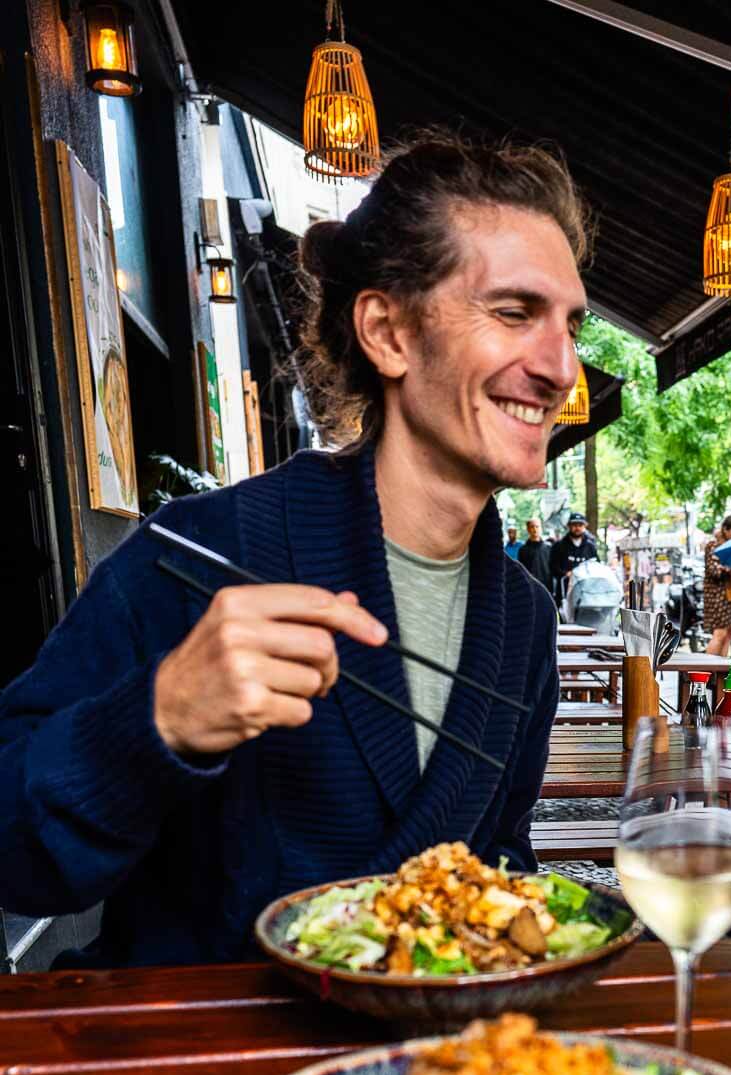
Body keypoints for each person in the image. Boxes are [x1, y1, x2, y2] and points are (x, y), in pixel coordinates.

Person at [0, 129, 588, 966]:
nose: (561, 366)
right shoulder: (195, 555)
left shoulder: (524, 620)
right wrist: (158, 719)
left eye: (572, 324)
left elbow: (497, 867)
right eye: (514, 312)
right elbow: (14, 854)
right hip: (205, 1073)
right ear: (387, 332)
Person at [703, 514, 731, 658]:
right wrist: (728, 567)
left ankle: (721, 672)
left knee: (729, 633)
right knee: (720, 633)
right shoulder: (713, 545)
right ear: (725, 529)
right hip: (718, 595)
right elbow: (713, 570)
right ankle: (707, 672)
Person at [549, 510, 598, 610]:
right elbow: (552, 566)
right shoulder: (559, 546)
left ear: (585, 526)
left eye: (580, 525)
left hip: (587, 593)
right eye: (574, 525)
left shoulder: (590, 546)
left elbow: (597, 565)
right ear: (569, 526)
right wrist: (566, 574)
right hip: (565, 593)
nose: (577, 528)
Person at [517, 518, 553, 591]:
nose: (535, 529)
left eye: (537, 526)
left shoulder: (549, 548)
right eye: (532, 526)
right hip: (529, 587)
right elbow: (521, 570)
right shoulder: (523, 550)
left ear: (541, 528)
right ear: (528, 529)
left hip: (546, 587)